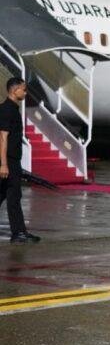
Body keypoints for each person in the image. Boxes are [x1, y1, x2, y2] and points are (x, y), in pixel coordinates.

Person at [0, 77, 40, 243]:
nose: (25, 92)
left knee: (3, 193)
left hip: (11, 160)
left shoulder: (11, 109)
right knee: (14, 196)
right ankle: (19, 233)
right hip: (8, 161)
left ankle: (19, 232)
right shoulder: (7, 110)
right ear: (14, 90)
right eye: (23, 89)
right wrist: (4, 164)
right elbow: (3, 138)